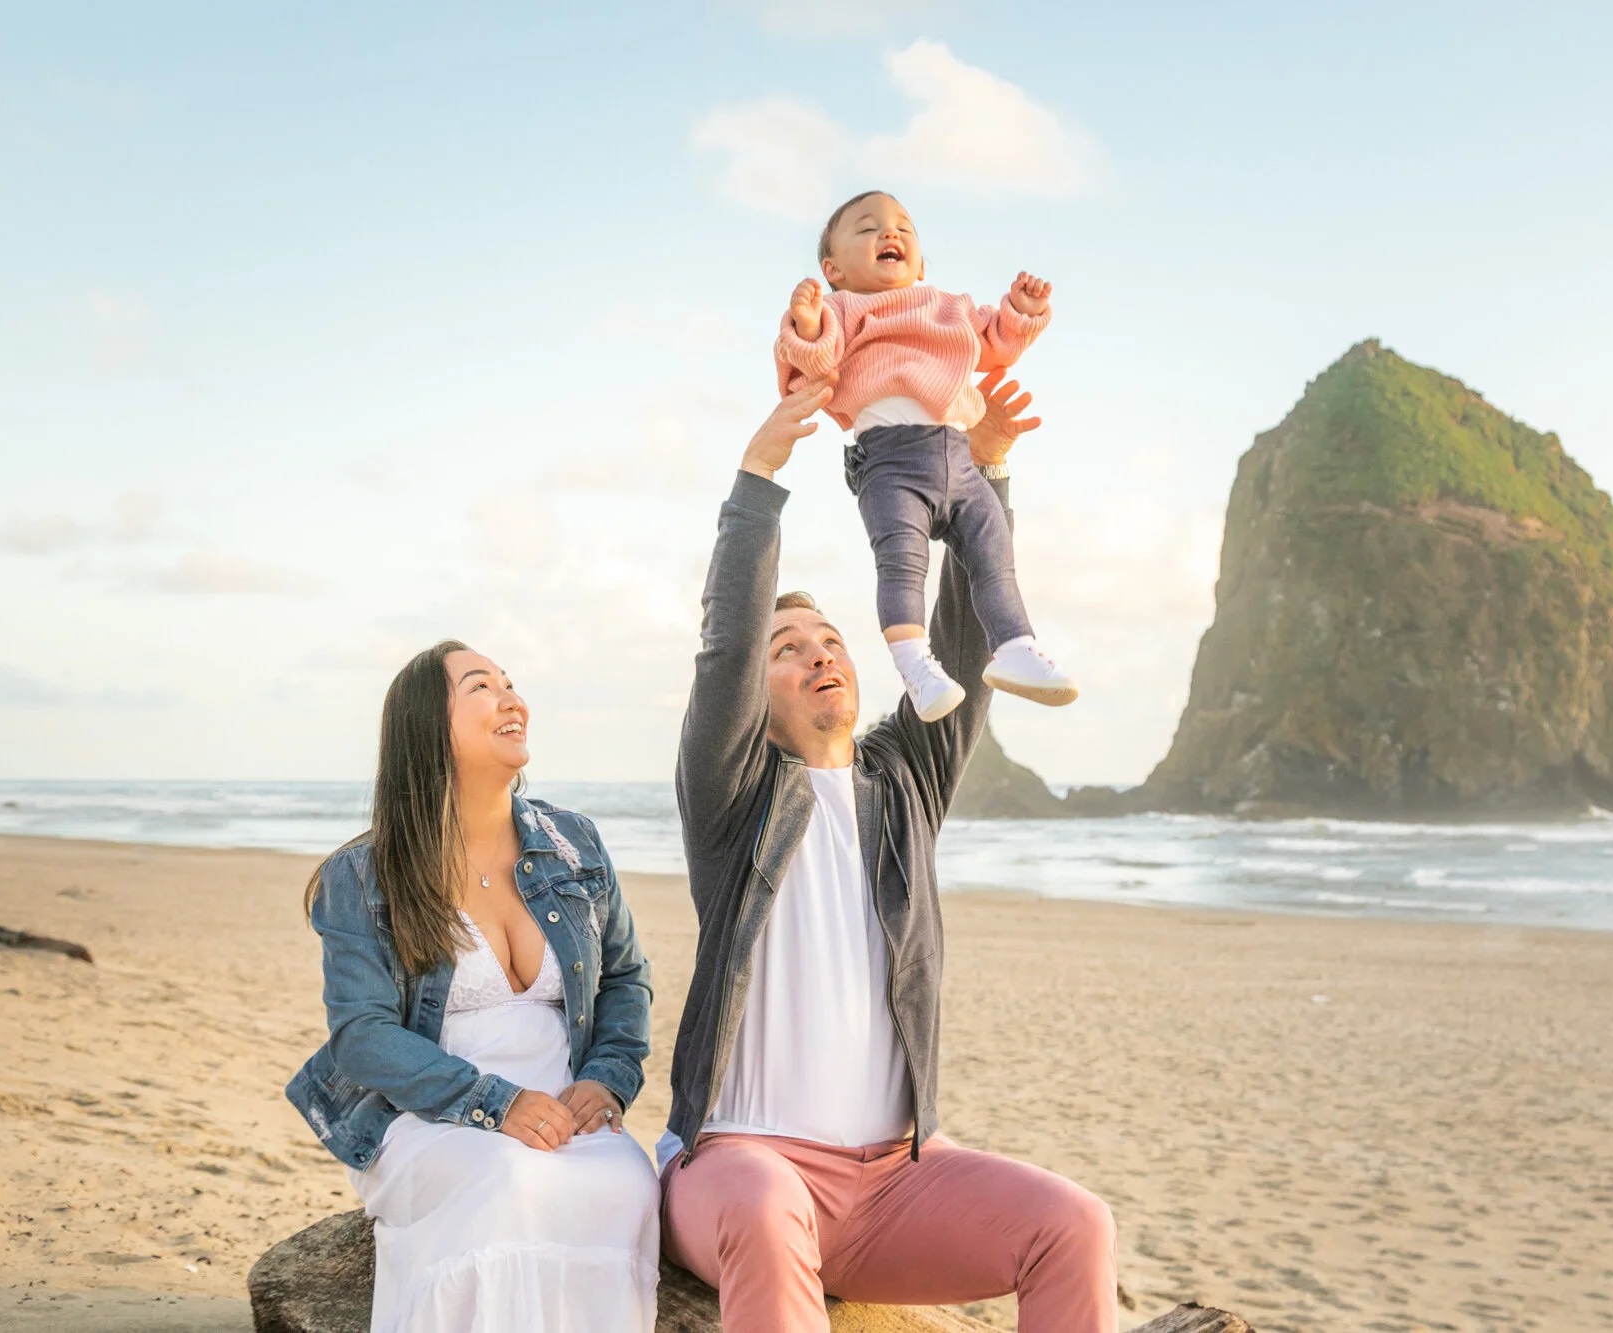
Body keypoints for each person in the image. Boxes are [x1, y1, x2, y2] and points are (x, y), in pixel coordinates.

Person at [658, 367, 1119, 1332]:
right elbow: (723, 648)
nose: (819, 651)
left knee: (1075, 1223)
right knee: (764, 1201)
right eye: (788, 647)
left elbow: (963, 641)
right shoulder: (733, 796)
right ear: (759, 683)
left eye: (829, 637)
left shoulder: (904, 781)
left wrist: (984, 472)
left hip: (901, 1178)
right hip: (745, 1163)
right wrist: (760, 475)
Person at [286, 641, 659, 1333]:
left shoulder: (573, 842)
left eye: (512, 683)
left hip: (560, 1114)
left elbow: (626, 975)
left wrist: (607, 1079)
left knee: (629, 1180)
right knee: (506, 1182)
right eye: (482, 686)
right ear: (429, 727)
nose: (512, 698)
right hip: (427, 1118)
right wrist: (496, 1103)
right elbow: (362, 1037)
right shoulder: (363, 875)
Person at [775, 189, 1076, 721]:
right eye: (867, 229)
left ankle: (1014, 647)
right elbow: (813, 364)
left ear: (917, 264)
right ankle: (917, 666)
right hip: (890, 464)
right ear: (834, 269)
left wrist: (1023, 311)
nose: (889, 234)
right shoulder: (842, 310)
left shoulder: (949, 308)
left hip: (959, 458)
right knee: (902, 564)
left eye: (903, 228)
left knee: (994, 553)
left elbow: (996, 342)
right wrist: (806, 323)